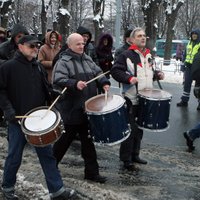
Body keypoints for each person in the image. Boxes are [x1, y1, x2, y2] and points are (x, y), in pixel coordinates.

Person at [0, 35, 76, 200]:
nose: (35, 49)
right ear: (20, 46)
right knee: (14, 156)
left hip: (38, 121)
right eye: (31, 46)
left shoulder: (37, 67)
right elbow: (1, 91)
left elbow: (45, 87)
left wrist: (53, 94)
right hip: (18, 121)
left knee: (47, 156)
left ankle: (57, 191)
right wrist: (8, 110)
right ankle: (7, 187)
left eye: (37, 46)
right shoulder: (8, 67)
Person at [52, 33, 110, 183]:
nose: (81, 46)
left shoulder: (87, 58)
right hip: (71, 109)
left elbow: (98, 72)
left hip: (87, 108)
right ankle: (50, 168)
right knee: (63, 143)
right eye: (78, 44)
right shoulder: (63, 62)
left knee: (88, 143)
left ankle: (92, 172)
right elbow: (58, 80)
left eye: (83, 43)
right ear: (70, 45)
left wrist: (103, 82)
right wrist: (74, 83)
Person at [111, 27, 164, 171]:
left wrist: (157, 74)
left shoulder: (148, 55)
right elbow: (115, 71)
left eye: (144, 36)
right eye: (139, 36)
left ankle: (135, 154)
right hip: (130, 97)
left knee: (140, 128)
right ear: (132, 39)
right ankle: (126, 159)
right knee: (130, 129)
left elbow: (147, 73)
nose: (143, 38)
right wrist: (128, 78)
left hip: (145, 97)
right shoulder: (126, 55)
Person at [177, 29, 200, 110]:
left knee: (198, 86)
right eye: (192, 34)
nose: (194, 35)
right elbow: (185, 55)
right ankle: (184, 101)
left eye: (195, 34)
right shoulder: (189, 44)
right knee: (186, 84)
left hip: (198, 68)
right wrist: (183, 65)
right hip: (189, 67)